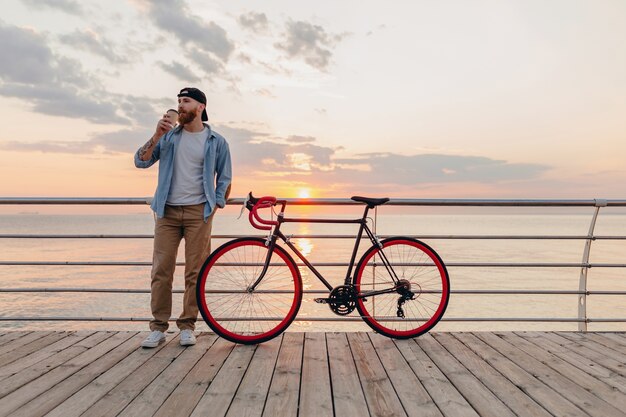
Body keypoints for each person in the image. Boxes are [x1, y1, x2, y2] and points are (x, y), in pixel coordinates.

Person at [134, 87, 232, 348]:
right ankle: (158, 327)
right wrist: (156, 134)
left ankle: (188, 326)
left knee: (195, 272)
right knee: (161, 271)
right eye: (178, 101)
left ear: (200, 107)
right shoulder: (167, 138)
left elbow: (225, 176)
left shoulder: (216, 141)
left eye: (185, 101)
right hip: (166, 211)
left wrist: (216, 202)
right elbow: (141, 161)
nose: (180, 106)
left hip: (198, 212)